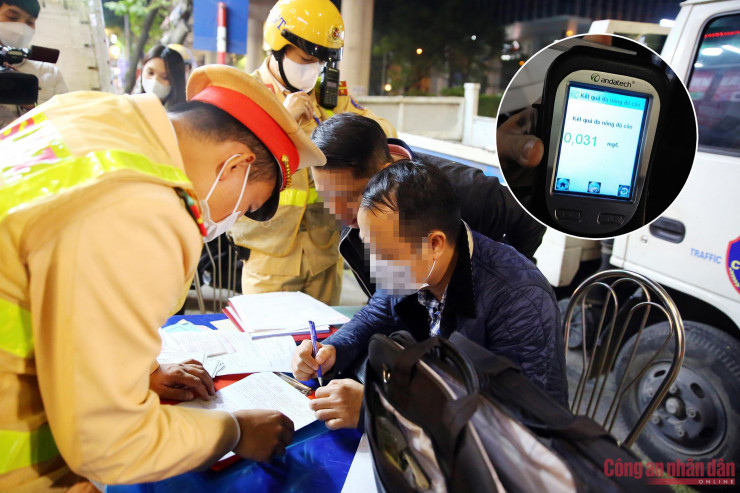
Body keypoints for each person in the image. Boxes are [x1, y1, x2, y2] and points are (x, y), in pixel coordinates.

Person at [0, 65, 326, 490]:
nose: (232, 219)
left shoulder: (85, 113)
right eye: (247, 205)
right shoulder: (145, 211)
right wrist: (235, 432)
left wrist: (140, 370)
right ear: (235, 165)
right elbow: (107, 444)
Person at [291, 161, 567, 430]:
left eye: (384, 254)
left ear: (434, 244)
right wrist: (333, 349)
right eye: (369, 249)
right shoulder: (414, 266)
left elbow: (515, 421)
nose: (375, 266)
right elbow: (376, 314)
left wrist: (379, 409)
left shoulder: (519, 301)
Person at [228, 0, 396, 305]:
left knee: (323, 347)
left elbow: (382, 131)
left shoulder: (329, 98)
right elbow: (233, 162)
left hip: (325, 253)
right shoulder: (244, 93)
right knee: (271, 347)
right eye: (307, 58)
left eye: (322, 62)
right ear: (279, 47)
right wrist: (281, 121)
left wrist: (338, 126)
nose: (314, 70)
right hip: (268, 256)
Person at [310, 112, 547, 298]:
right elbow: (385, 300)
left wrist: (499, 279)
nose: (338, 213)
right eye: (327, 197)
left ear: (386, 172)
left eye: (351, 196)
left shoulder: (465, 190)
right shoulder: (350, 213)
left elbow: (529, 218)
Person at [0, 0, 67, 127]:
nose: (21, 28)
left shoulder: (49, 74)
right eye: (12, 17)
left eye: (30, 22)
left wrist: (30, 106)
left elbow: (65, 123)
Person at [134, 44, 186, 109]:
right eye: (150, 73)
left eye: (165, 77)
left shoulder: (183, 116)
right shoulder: (130, 107)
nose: (155, 81)